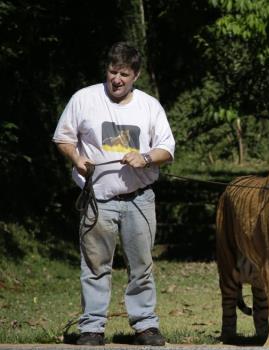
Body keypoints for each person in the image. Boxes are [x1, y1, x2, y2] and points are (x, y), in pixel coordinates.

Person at [52, 41, 175, 346]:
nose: (116, 79)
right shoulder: (84, 99)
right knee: (94, 265)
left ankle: (145, 325)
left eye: (123, 73)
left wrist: (145, 158)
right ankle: (92, 328)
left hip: (139, 198)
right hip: (98, 200)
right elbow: (63, 137)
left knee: (141, 266)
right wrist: (76, 159)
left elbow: (167, 149)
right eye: (112, 71)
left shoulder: (149, 106)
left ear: (136, 75)